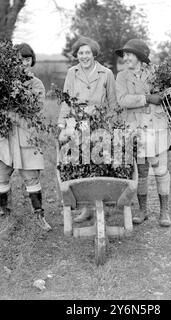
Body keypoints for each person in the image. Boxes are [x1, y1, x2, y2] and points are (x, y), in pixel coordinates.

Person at [0, 42, 52, 231]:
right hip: (2, 136)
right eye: (18, 59)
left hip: (26, 136)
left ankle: (39, 215)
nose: (23, 63)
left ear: (32, 60)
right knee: (0, 176)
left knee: (31, 177)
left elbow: (34, 108)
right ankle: (5, 212)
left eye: (27, 59)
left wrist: (10, 112)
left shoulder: (36, 84)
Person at [57, 36, 117, 222]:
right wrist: (62, 123)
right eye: (80, 53)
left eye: (87, 53)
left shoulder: (106, 73)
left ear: (94, 54)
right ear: (76, 55)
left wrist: (114, 126)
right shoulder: (71, 73)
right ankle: (85, 207)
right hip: (76, 122)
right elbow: (67, 100)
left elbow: (113, 103)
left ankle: (103, 203)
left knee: (99, 160)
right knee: (77, 161)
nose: (84, 56)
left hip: (99, 122)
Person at [115, 39, 171, 227]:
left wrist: (162, 97)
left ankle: (164, 212)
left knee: (161, 170)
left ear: (139, 56)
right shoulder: (122, 77)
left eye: (129, 54)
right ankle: (143, 211)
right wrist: (147, 98)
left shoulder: (156, 74)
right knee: (141, 172)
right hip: (136, 130)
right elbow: (123, 100)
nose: (126, 58)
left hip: (157, 128)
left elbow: (168, 94)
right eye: (124, 55)